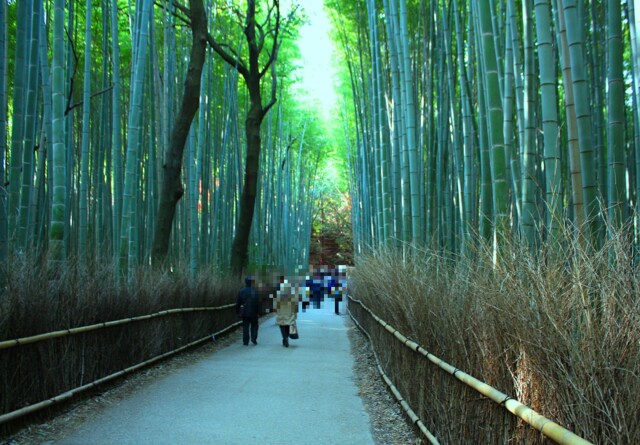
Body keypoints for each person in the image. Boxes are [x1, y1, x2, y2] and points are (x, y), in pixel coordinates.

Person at [236, 276, 262, 345]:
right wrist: (259, 311)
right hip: (254, 312)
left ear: (245, 282)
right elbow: (258, 303)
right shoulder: (255, 291)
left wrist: (237, 311)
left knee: (245, 326)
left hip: (245, 312)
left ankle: (245, 341)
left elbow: (238, 302)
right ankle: (253, 338)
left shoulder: (241, 291)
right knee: (254, 325)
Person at [274, 280, 298, 347]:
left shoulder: (278, 294)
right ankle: (286, 338)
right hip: (289, 313)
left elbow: (275, 305)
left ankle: (285, 338)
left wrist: (276, 312)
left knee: (282, 325)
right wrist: (295, 315)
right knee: (287, 325)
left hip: (281, 313)